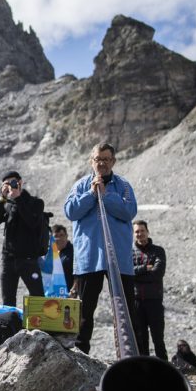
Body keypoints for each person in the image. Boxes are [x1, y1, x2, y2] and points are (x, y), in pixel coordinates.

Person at [64, 143, 138, 355]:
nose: (102, 163)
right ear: (91, 161)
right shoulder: (80, 185)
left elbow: (129, 211)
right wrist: (90, 194)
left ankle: (130, 356)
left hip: (120, 260)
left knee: (125, 312)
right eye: (98, 159)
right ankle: (80, 355)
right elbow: (70, 211)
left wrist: (106, 195)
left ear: (113, 161)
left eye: (106, 159)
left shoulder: (123, 186)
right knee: (84, 311)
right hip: (90, 258)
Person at [0, 171, 46, 306]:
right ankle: (11, 326)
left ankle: (38, 327)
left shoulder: (36, 202)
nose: (11, 186)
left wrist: (18, 198)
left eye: (14, 182)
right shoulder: (7, 204)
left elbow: (32, 222)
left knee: (37, 298)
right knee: (8, 301)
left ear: (21, 182)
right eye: (7, 184)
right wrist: (2, 198)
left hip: (28, 259)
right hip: (8, 259)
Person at [131, 220, 168, 360]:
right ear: (134, 234)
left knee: (158, 339)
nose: (140, 234)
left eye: (142, 231)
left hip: (154, 301)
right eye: (137, 231)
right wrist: (145, 268)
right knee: (141, 340)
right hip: (137, 302)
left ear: (148, 231)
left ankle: (164, 369)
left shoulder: (158, 251)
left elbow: (158, 273)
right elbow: (128, 273)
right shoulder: (130, 253)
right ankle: (144, 370)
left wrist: (137, 275)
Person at [52, 224, 74, 292]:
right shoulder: (50, 254)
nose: (59, 239)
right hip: (54, 294)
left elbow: (79, 276)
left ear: (67, 236)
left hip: (68, 295)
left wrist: (74, 290)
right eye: (56, 236)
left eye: (61, 235)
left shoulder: (73, 252)